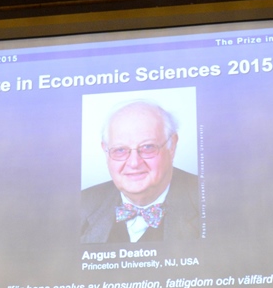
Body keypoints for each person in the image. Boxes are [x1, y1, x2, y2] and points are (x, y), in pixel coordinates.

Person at [81, 100, 202, 243]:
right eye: (120, 150)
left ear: (172, 146)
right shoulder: (82, 204)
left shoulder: (210, 201)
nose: (134, 163)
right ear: (106, 152)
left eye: (148, 147)